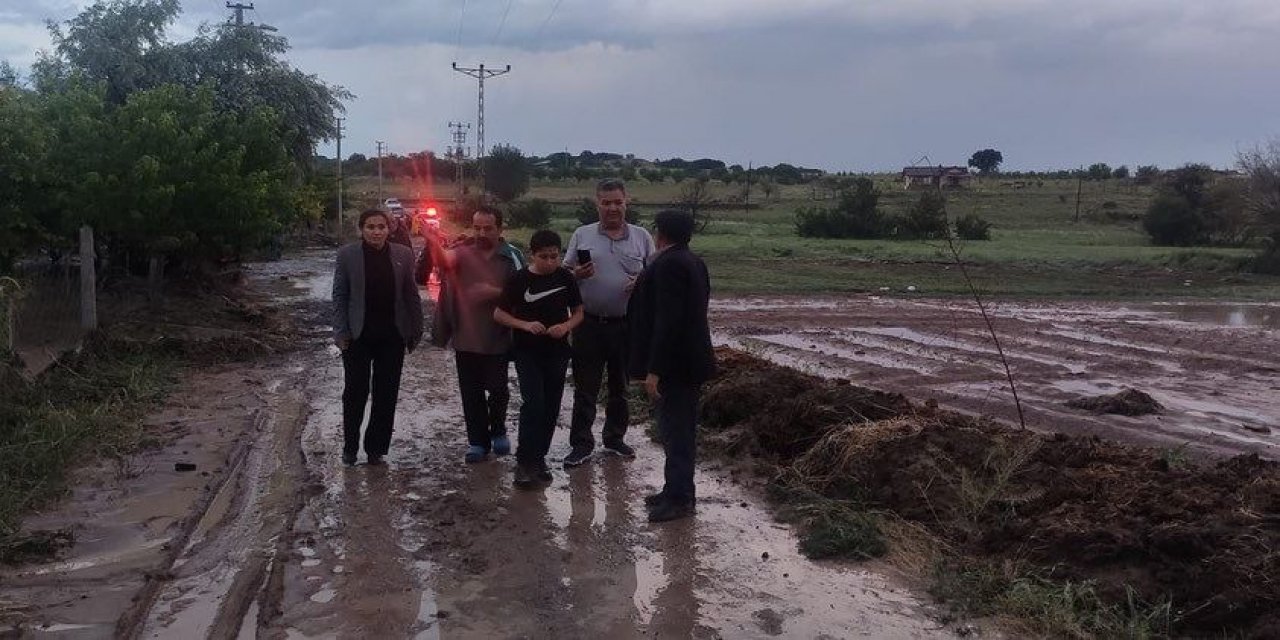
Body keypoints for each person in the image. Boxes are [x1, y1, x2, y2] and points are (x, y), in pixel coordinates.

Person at [561, 178, 656, 467]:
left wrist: (640, 280)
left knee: (620, 387)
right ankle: (581, 444)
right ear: (597, 203)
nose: (612, 208)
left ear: (627, 201)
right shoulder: (582, 234)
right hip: (588, 324)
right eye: (606, 202)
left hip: (626, 325)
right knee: (585, 387)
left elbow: (655, 275)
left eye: (617, 201)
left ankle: (614, 439)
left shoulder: (641, 237)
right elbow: (564, 274)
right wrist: (577, 274)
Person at [627, 210, 714, 522]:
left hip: (676, 366)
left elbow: (669, 321)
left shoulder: (668, 265)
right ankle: (675, 489)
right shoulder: (692, 261)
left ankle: (679, 499)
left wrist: (655, 369)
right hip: (687, 362)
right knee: (677, 429)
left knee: (676, 431)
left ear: (660, 234)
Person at [427, 205, 525, 463]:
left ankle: (499, 429)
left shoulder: (511, 256)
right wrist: (433, 240)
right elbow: (443, 261)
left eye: (488, 228)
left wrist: (493, 292)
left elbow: (525, 293)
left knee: (498, 390)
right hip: (465, 335)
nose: (481, 233)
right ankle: (477, 442)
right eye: (477, 227)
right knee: (470, 393)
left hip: (499, 335)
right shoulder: (462, 252)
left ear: (500, 229)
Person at [332, 209, 425, 466]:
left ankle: (376, 449)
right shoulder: (347, 255)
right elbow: (339, 295)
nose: (376, 231)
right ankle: (350, 446)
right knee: (355, 391)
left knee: (386, 393)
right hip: (357, 336)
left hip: (392, 336)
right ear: (361, 229)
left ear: (389, 229)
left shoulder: (403, 255)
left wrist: (416, 329)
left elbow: (411, 295)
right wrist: (340, 331)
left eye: (381, 226)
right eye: (371, 227)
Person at [494, 230, 584, 488]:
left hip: (556, 352)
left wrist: (566, 327)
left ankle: (539, 458)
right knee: (533, 404)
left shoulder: (566, 277)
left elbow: (579, 313)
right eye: (544, 257)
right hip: (527, 351)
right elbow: (499, 314)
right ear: (532, 255)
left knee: (551, 406)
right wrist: (523, 324)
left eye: (554, 256)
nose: (549, 262)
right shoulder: (518, 280)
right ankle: (524, 461)